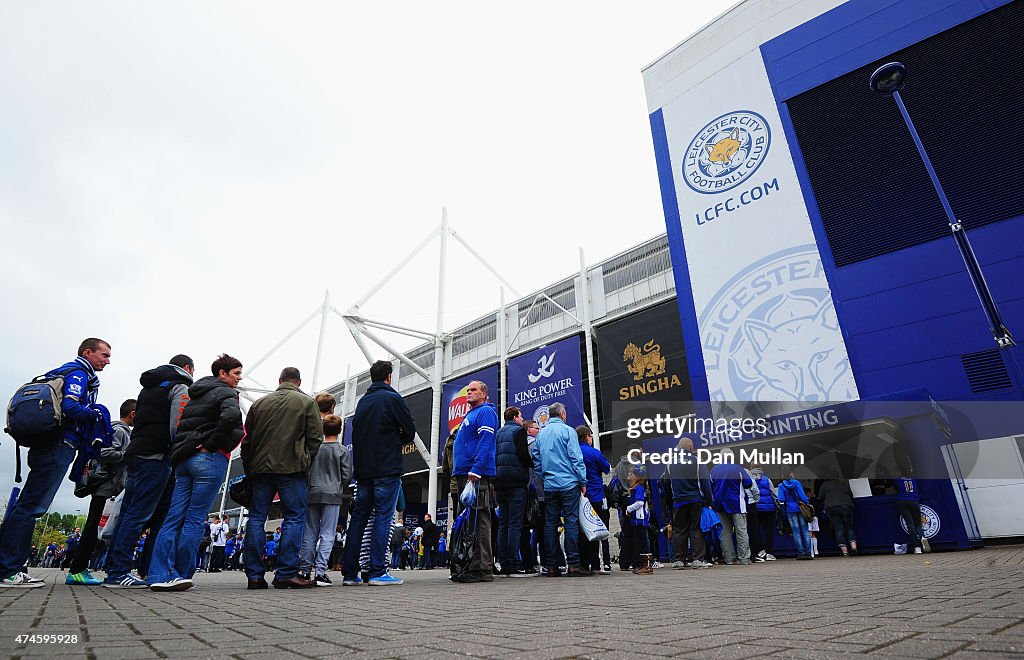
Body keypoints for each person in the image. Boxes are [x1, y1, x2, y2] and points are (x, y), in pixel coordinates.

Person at [0, 338, 112, 588]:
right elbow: (71, 406)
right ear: (87, 352)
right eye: (104, 355)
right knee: (32, 507)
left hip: (45, 442)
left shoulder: (61, 371)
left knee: (26, 505)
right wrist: (94, 413)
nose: (107, 361)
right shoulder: (79, 373)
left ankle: (8, 566)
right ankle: (8, 570)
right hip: (59, 443)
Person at [148, 355, 244, 591]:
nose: (239, 379)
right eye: (236, 373)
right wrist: (212, 443)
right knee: (194, 519)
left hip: (184, 459)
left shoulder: (195, 393)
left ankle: (159, 574)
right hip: (209, 458)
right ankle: (181, 574)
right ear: (222, 373)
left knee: (173, 518)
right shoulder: (227, 393)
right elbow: (232, 417)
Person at [104, 354, 194, 589]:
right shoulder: (180, 386)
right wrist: (179, 450)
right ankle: (119, 572)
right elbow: (178, 424)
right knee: (139, 515)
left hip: (136, 452)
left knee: (128, 513)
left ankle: (114, 569)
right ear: (187, 368)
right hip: (156, 455)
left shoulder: (149, 387)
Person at [242, 367, 323, 589]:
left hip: (260, 470)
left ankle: (255, 576)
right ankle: (286, 572)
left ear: (279, 380)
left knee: (257, 518)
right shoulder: (306, 402)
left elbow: (247, 441)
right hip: (291, 468)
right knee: (295, 517)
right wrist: (305, 460)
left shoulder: (259, 404)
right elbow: (316, 438)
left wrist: (251, 468)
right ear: (299, 381)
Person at [343, 360, 415, 587]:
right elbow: (410, 431)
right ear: (389, 377)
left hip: (364, 470)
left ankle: (350, 573)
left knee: (359, 520)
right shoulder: (392, 398)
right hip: (387, 467)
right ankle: (376, 571)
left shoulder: (362, 403)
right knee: (383, 517)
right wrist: (397, 438)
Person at [67, 399, 136, 585]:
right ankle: (77, 569)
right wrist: (127, 455)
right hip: (105, 486)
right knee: (93, 527)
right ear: (133, 414)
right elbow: (105, 453)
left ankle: (81, 568)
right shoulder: (120, 431)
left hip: (108, 486)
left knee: (95, 526)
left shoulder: (115, 429)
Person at [530, 402, 589, 578]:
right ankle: (573, 564)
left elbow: (536, 460)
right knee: (571, 522)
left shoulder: (541, 435)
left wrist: (544, 476)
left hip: (550, 485)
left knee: (550, 524)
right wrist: (582, 481)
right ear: (562, 414)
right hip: (569, 484)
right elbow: (576, 458)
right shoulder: (568, 431)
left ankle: (552, 566)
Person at [450, 380, 500, 584]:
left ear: (484, 394)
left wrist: (477, 468)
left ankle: (482, 568)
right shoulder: (470, 414)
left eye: (474, 390)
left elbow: (485, 442)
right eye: (468, 390)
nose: (469, 392)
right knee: (470, 521)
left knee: (480, 520)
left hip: (475, 474)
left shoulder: (486, 412)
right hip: (466, 473)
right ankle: (470, 564)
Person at [299, 414, 352, 586]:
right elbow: (347, 475)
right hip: (332, 494)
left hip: (312, 493)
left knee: (310, 532)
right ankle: (320, 572)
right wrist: (338, 487)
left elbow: (306, 470)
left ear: (322, 429)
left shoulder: (314, 449)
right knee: (328, 533)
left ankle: (304, 570)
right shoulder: (342, 450)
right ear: (340, 430)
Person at [493, 407, 531, 577]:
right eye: (521, 416)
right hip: (516, 481)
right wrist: (532, 464)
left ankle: (504, 562)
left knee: (503, 524)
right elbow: (523, 454)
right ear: (515, 417)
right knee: (515, 524)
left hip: (499, 483)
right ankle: (514, 563)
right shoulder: (519, 432)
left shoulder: (498, 433)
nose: (522, 419)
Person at [666, 437, 713, 570]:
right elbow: (705, 483)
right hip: (695, 500)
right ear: (691, 447)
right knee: (696, 528)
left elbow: (665, 483)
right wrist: (709, 500)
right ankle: (698, 559)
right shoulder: (697, 461)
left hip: (679, 501)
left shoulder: (670, 463)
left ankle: (679, 560)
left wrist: (671, 499)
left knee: (679, 530)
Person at [576, 425, 611, 575]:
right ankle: (596, 565)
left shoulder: (573, 452)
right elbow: (607, 468)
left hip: (579, 497)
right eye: (590, 436)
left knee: (582, 531)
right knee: (595, 529)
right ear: (586, 437)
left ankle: (583, 564)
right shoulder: (594, 452)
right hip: (595, 495)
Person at [710, 450, 753, 565]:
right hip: (737, 503)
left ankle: (729, 558)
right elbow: (748, 483)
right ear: (732, 457)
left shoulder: (714, 470)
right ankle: (744, 558)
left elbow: (710, 486)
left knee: (725, 533)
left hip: (719, 505)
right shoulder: (737, 468)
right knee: (741, 531)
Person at [777, 471, 813, 559]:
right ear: (792, 474)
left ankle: (801, 553)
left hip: (790, 510)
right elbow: (803, 496)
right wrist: (807, 503)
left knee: (796, 532)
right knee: (804, 530)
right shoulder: (797, 483)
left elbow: (781, 499)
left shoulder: (781, 486)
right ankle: (808, 553)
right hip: (801, 509)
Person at [818, 476, 857, 557]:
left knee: (838, 529)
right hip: (846, 506)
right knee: (849, 528)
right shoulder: (844, 483)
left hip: (831, 507)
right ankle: (853, 547)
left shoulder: (825, 485)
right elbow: (851, 494)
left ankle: (845, 552)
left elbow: (821, 497)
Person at [625, 466, 654, 575]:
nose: (628, 478)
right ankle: (643, 564)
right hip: (637, 519)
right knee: (640, 541)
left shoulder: (638, 489)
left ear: (637, 477)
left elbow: (640, 502)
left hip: (640, 519)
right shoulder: (638, 488)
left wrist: (629, 508)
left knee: (643, 540)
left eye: (630, 475)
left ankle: (647, 565)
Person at [894, 469, 929, 554]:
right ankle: (922, 537)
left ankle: (917, 547)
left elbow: (896, 488)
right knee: (918, 523)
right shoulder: (913, 480)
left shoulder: (897, 479)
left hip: (902, 501)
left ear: (900, 473)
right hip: (914, 500)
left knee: (910, 523)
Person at [749, 466, 778, 561]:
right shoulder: (767, 479)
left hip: (755, 508)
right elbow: (773, 493)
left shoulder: (749, 478)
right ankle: (769, 552)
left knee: (756, 531)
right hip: (768, 508)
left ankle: (760, 552)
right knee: (768, 530)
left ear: (751, 467)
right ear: (761, 468)